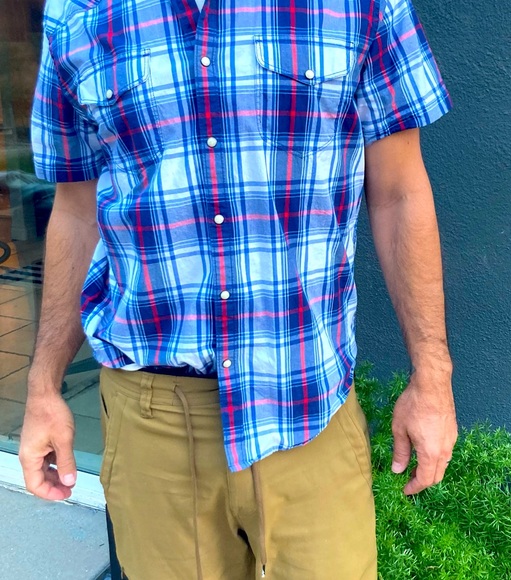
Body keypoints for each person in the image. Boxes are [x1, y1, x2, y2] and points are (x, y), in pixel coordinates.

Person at [19, 0, 458, 577]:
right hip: (153, 424)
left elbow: (400, 192)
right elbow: (77, 212)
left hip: (310, 411)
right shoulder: (77, 12)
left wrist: (432, 377)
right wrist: (43, 386)